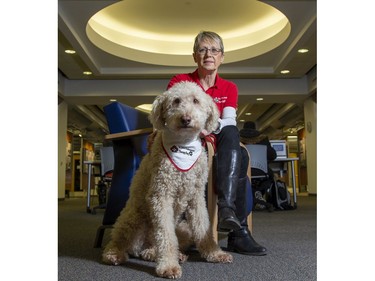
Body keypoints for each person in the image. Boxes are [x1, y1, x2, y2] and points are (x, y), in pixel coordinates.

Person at [166, 31, 266, 256]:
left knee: (232, 134)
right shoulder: (181, 81)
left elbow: (228, 121)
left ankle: (227, 210)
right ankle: (238, 231)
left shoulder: (229, 87)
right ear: (194, 56)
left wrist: (207, 127)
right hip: (187, 145)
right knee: (239, 156)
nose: (208, 54)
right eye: (202, 50)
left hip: (219, 143)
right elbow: (173, 116)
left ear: (222, 57)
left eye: (214, 50)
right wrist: (201, 128)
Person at [239, 121, 277, 211]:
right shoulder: (262, 139)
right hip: (261, 171)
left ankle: (250, 194)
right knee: (271, 176)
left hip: (243, 170)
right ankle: (258, 191)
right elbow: (272, 156)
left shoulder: (237, 138)